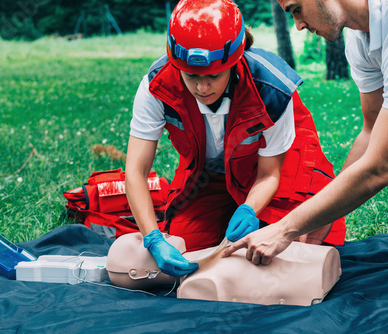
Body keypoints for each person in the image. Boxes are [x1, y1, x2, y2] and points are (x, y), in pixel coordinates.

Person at [223, 0, 388, 300]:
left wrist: (284, 229)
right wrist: (324, 215)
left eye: (296, 9)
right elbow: (371, 132)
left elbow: (380, 169)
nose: (299, 25)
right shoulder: (362, 38)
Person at [125, 0, 346, 278]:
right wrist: (153, 238)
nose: (202, 87)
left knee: (290, 249)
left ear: (234, 61)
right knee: (186, 247)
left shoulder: (271, 87)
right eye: (191, 76)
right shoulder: (156, 87)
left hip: (279, 164)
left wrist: (249, 209)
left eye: (213, 76)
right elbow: (135, 170)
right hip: (208, 174)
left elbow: (269, 174)